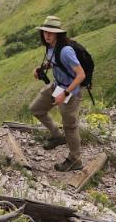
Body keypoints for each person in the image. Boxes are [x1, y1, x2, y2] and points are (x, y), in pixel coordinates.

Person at [28, 15, 85, 171]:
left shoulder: (66, 51)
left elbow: (81, 75)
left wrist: (65, 94)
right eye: (45, 31)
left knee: (70, 126)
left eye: (51, 32)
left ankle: (75, 160)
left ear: (58, 34)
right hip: (57, 85)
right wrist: (42, 68)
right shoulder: (50, 47)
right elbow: (56, 62)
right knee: (36, 109)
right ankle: (56, 135)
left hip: (71, 92)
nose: (47, 35)